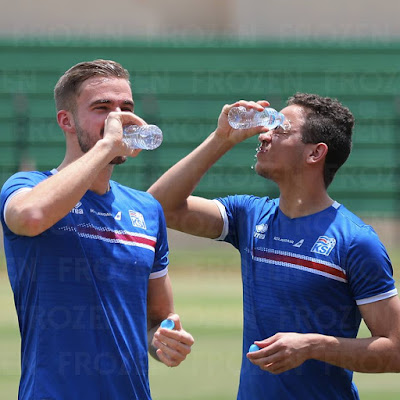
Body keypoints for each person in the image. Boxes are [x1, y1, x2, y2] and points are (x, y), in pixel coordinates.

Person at [148, 94, 400, 399]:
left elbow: (395, 349)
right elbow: (160, 206)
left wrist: (312, 346)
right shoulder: (249, 216)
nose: (265, 134)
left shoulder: (356, 241)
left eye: (280, 129)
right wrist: (221, 138)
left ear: (315, 153)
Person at [0, 59, 194, 400]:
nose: (118, 118)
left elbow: (157, 318)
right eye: (102, 108)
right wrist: (107, 145)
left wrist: (165, 340)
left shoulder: (146, 209)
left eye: (126, 108)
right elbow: (29, 216)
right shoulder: (28, 186)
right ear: (66, 121)